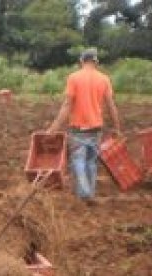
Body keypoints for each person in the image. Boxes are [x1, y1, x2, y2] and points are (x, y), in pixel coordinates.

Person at [48, 48, 122, 204]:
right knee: (91, 161)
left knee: (78, 160)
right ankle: (90, 193)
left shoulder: (74, 78)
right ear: (96, 62)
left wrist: (54, 127)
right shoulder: (104, 79)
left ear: (81, 61)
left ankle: (85, 193)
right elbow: (111, 105)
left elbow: (67, 104)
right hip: (96, 127)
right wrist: (117, 127)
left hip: (78, 127)